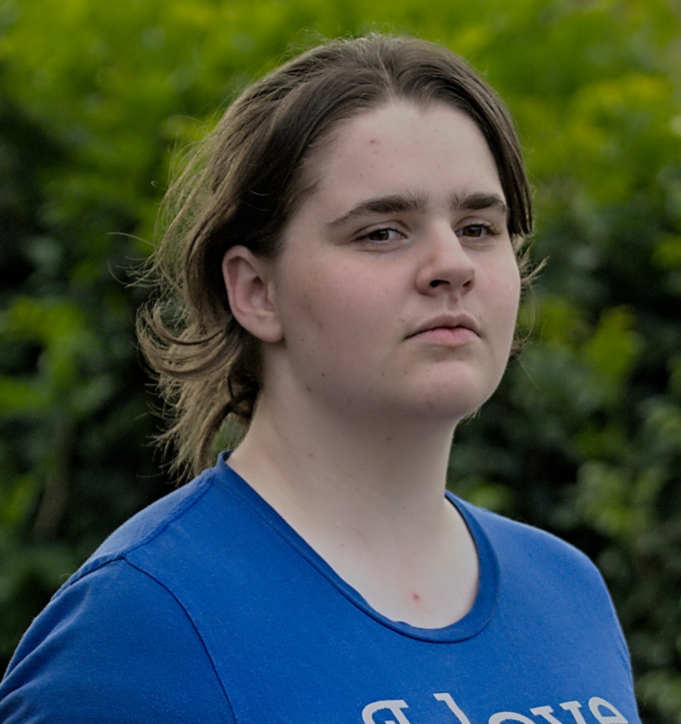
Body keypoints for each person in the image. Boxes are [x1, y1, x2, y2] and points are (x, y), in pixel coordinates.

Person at [0, 35, 639, 723]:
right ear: (256, 291)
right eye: (382, 232)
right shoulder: (139, 629)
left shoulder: (567, 592)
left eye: (479, 227)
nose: (452, 264)